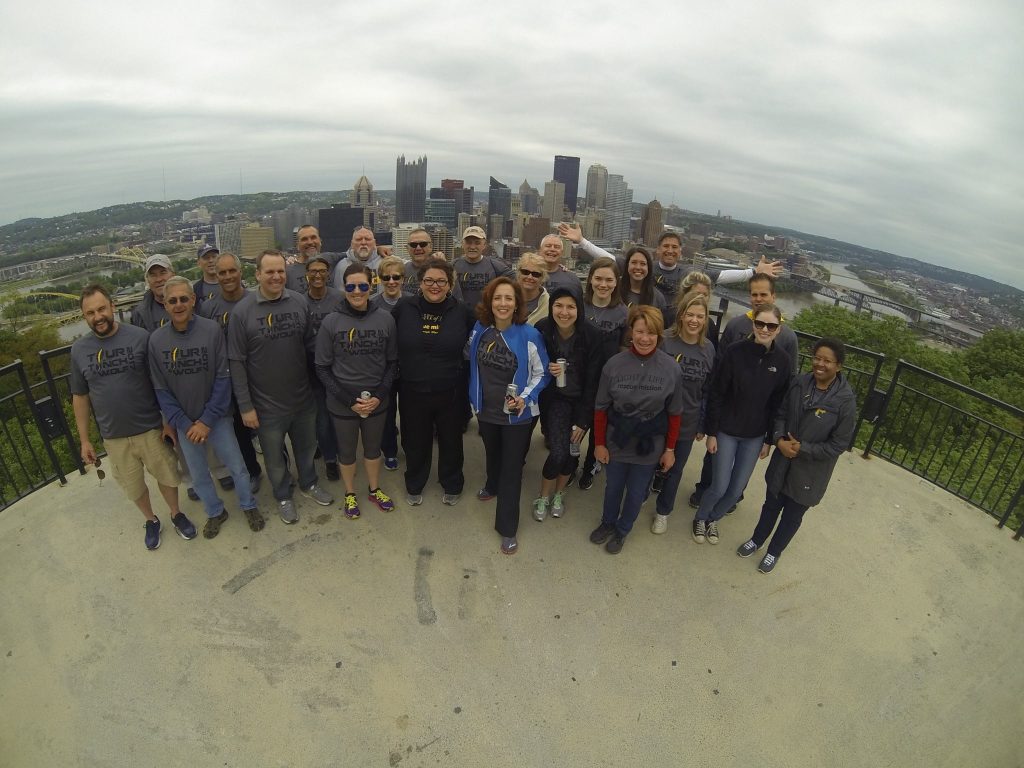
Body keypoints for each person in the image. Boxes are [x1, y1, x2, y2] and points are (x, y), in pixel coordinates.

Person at [71, 284, 195, 550]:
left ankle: (175, 513)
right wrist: (84, 440)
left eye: (102, 308)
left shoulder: (140, 337)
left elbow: (158, 382)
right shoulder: (79, 350)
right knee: (133, 485)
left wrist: (166, 420)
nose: (98, 316)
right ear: (84, 316)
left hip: (149, 426)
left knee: (166, 475)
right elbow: (80, 397)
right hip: (113, 435)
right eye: (90, 312)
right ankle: (151, 520)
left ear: (112, 307)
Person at [148, 277, 263, 537]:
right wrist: (187, 423)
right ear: (165, 305)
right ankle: (215, 511)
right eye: (172, 300)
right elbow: (161, 390)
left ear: (193, 301)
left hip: (218, 417)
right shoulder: (156, 341)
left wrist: (207, 420)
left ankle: (248, 505)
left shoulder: (212, 330)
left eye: (184, 299)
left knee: (237, 467)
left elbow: (224, 378)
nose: (179, 305)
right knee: (199, 475)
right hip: (185, 424)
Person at [228, 249, 333, 524]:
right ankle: (283, 495)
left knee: (307, 449)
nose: (276, 277)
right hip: (265, 406)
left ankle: (309, 483)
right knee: (274, 460)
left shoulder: (299, 302)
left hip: (302, 398)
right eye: (270, 272)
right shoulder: (242, 313)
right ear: (258, 274)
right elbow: (236, 362)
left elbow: (311, 347)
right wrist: (245, 406)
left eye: (280, 271)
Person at [737, 337, 857, 573]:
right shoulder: (800, 383)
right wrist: (779, 440)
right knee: (770, 505)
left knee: (792, 515)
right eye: (817, 358)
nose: (820, 364)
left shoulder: (844, 402)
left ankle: (774, 552)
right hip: (782, 460)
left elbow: (839, 444)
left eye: (827, 361)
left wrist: (803, 449)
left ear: (839, 366)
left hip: (810, 473)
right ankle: (757, 539)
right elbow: (781, 413)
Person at [689, 273, 800, 509]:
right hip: (727, 417)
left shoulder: (788, 338)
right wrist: (711, 422)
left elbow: (785, 388)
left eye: (764, 294)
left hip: (756, 423)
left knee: (741, 469)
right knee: (715, 458)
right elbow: (719, 369)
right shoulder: (736, 325)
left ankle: (731, 498)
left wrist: (772, 435)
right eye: (754, 294)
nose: (758, 299)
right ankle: (704, 490)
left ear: (773, 296)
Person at [692, 304, 792, 544]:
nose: (765, 329)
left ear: (779, 329)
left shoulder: (783, 361)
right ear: (753, 324)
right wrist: (712, 432)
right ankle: (700, 517)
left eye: (771, 326)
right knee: (719, 485)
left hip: (755, 435)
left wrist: (769, 440)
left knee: (736, 490)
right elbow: (717, 392)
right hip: (726, 430)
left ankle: (713, 519)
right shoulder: (735, 352)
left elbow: (778, 403)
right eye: (760, 324)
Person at [588, 305, 683, 555]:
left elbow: (674, 413)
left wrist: (670, 449)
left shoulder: (671, 368)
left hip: (649, 442)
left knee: (636, 492)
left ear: (659, 335)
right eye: (640, 331)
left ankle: (622, 530)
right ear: (632, 331)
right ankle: (608, 522)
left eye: (651, 333)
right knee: (613, 487)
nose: (644, 338)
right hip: (617, 438)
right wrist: (599, 443)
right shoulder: (614, 365)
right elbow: (600, 408)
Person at [467, 277, 551, 554]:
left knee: (512, 469)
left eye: (508, 299)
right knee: (492, 453)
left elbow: (542, 374)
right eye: (497, 298)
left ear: (517, 304)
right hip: (486, 410)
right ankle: (491, 485)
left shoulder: (529, 335)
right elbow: (469, 360)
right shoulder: (480, 329)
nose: (503, 304)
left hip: (518, 416)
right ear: (490, 302)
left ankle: (507, 528)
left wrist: (525, 400)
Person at [315, 263, 398, 519]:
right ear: (344, 288)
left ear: (372, 285)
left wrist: (380, 395)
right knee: (347, 451)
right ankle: (350, 493)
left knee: (373, 450)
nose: (357, 291)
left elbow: (393, 362)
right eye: (351, 286)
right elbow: (322, 367)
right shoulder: (331, 321)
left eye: (363, 285)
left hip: (376, 400)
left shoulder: (385, 318)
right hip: (342, 402)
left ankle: (374, 489)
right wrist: (348, 400)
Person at [392, 257, 476, 507]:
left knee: (451, 440)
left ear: (450, 284)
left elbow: (483, 339)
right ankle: (415, 482)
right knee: (415, 440)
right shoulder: (403, 308)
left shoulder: (463, 311)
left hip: (451, 388)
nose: (435, 286)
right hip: (411, 388)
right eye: (429, 280)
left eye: (441, 281)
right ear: (420, 282)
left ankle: (452, 482)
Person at [531, 287, 606, 521]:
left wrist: (584, 420)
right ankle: (543, 495)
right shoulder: (542, 329)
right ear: (551, 306)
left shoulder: (592, 335)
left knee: (572, 454)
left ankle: (559, 494)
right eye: (559, 305)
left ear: (579, 309)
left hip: (581, 402)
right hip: (555, 401)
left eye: (571, 306)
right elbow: (533, 366)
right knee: (559, 452)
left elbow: (594, 381)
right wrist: (548, 368)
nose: (564, 312)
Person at [649, 292, 715, 534]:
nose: (694, 320)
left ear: (706, 319)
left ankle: (663, 512)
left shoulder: (708, 349)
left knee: (675, 470)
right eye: (690, 314)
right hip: (657, 416)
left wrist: (703, 424)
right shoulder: (665, 340)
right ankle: (640, 495)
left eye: (700, 316)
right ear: (681, 315)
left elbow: (708, 390)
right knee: (649, 462)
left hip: (688, 419)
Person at [198, 252, 263, 491]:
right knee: (239, 431)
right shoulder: (208, 307)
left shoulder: (256, 300)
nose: (227, 276)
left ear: (240, 272)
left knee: (267, 429)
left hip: (255, 376)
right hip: (226, 380)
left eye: (231, 271)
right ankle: (253, 471)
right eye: (221, 272)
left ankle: (282, 470)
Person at [578, 257, 628, 491]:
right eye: (598, 278)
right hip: (579, 377)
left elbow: (624, 350)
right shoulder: (579, 306)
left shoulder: (622, 313)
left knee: (599, 428)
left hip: (607, 381)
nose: (603, 284)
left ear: (616, 282)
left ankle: (589, 466)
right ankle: (569, 464)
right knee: (577, 424)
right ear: (590, 279)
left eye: (609, 280)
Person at [304, 255, 345, 482]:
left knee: (338, 415)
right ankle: (330, 459)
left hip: (338, 367)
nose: (318, 275)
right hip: (311, 369)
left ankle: (343, 452)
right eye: (313, 271)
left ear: (328, 274)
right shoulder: (300, 302)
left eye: (322, 270)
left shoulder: (339, 298)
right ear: (306, 275)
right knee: (321, 418)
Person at [370, 255, 407, 470]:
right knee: (386, 413)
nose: (391, 281)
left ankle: (410, 447)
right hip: (382, 368)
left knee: (410, 412)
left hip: (408, 366)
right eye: (386, 277)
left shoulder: (412, 301)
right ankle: (390, 451)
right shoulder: (372, 303)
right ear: (380, 279)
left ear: (403, 278)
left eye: (396, 277)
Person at [453, 225, 513, 310]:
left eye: (477, 243)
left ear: (484, 245)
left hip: (485, 318)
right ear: (462, 244)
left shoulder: (495, 266)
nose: (472, 247)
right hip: (460, 318)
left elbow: (519, 280)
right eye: (469, 242)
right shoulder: (453, 266)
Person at [331, 226, 385, 292]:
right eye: (358, 239)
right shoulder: (341, 266)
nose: (363, 242)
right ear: (352, 244)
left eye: (367, 239)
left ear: (374, 243)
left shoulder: (385, 263)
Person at [131, 254, 174, 331]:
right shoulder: (139, 314)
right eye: (153, 275)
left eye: (163, 273)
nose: (159, 279)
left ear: (173, 275)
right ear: (147, 280)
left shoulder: (192, 302)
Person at [620, 246, 667, 316]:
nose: (638, 267)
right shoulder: (615, 291)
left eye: (643, 264)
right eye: (634, 262)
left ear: (648, 268)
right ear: (627, 265)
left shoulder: (658, 298)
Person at [538, 233, 583, 298]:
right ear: (540, 250)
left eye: (556, 247)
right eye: (548, 246)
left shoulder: (572, 280)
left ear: (562, 253)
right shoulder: (528, 275)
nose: (552, 249)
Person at [515, 251, 550, 325]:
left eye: (535, 274)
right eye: (525, 272)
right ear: (519, 273)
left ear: (542, 278)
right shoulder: (506, 298)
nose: (530, 277)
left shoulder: (549, 304)